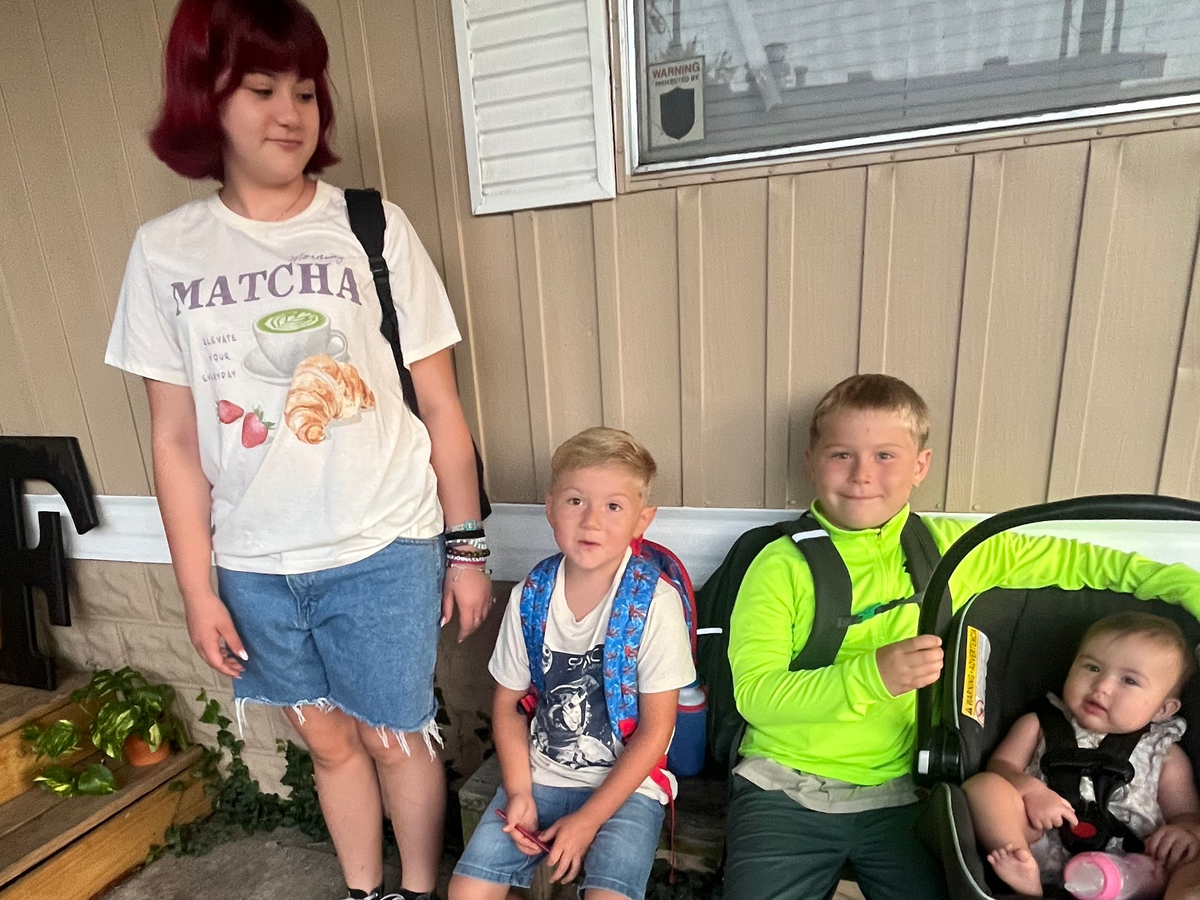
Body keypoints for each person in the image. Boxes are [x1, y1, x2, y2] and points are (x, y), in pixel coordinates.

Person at [103, 2, 491, 898]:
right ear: (205, 100)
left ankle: (416, 888)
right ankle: (364, 890)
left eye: (306, 92)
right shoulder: (164, 254)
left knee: (395, 736)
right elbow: (174, 439)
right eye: (262, 88)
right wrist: (197, 589)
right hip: (255, 563)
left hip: (383, 543)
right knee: (325, 740)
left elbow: (439, 403)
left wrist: (467, 549)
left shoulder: (370, 227)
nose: (291, 113)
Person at [723, 373, 1200, 900]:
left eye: (885, 456)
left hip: (908, 792)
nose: (862, 474)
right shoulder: (779, 566)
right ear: (812, 460)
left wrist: (1191, 591)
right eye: (841, 455)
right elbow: (757, 696)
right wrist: (871, 676)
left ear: (920, 466)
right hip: (785, 784)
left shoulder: (955, 550)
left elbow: (1086, 563)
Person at [448, 428, 695, 900]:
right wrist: (519, 792)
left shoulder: (653, 603)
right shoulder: (532, 596)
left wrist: (587, 821)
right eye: (576, 501)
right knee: (466, 894)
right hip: (540, 775)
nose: (591, 521)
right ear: (550, 508)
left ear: (642, 519)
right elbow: (508, 704)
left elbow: (656, 730)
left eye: (613, 506)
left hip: (628, 788)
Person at [964, 612, 1200, 898]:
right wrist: (1030, 790)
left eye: (1129, 680)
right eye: (1092, 667)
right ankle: (1020, 866)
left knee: (1189, 859)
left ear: (1163, 709)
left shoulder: (1165, 754)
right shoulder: (1039, 724)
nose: (1102, 686)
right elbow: (1001, 766)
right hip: (1040, 840)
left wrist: (1184, 832)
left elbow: (1186, 815)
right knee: (983, 787)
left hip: (1132, 868)